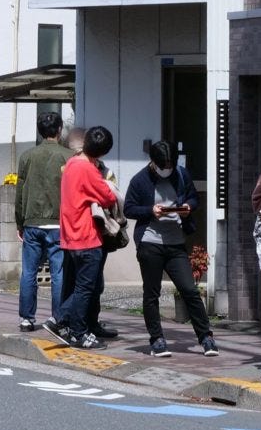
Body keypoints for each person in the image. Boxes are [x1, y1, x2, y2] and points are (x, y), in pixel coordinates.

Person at [124, 141, 219, 357]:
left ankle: (206, 337)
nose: (167, 169)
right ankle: (157, 339)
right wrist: (151, 210)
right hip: (150, 241)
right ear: (153, 163)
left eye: (170, 164)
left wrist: (188, 207)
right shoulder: (140, 180)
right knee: (151, 293)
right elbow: (129, 208)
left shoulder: (181, 174)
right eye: (163, 165)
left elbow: (194, 197)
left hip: (176, 242)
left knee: (190, 290)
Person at [44, 125, 120, 350]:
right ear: (103, 152)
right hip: (86, 236)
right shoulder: (88, 169)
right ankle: (68, 326)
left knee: (79, 286)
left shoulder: (71, 164)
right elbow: (107, 197)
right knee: (86, 288)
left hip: (70, 235)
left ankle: (70, 327)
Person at [15, 112, 72, 332]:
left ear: (40, 131)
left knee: (29, 272)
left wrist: (20, 221)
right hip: (59, 222)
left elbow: (20, 192)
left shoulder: (27, 156)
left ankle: (27, 319)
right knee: (59, 273)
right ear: (59, 130)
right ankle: (58, 318)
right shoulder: (68, 157)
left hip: (32, 220)